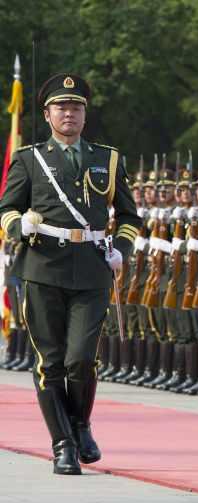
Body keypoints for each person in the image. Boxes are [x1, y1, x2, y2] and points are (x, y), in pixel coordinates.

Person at [0, 73, 142, 474]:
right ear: (47, 114)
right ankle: (62, 444)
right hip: (43, 267)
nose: (69, 113)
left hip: (93, 271)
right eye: (62, 107)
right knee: (52, 362)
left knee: (82, 359)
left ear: (85, 113)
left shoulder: (108, 159)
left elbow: (129, 216)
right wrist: (17, 227)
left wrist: (122, 249)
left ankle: (80, 424)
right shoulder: (30, 159)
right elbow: (6, 208)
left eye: (76, 107)